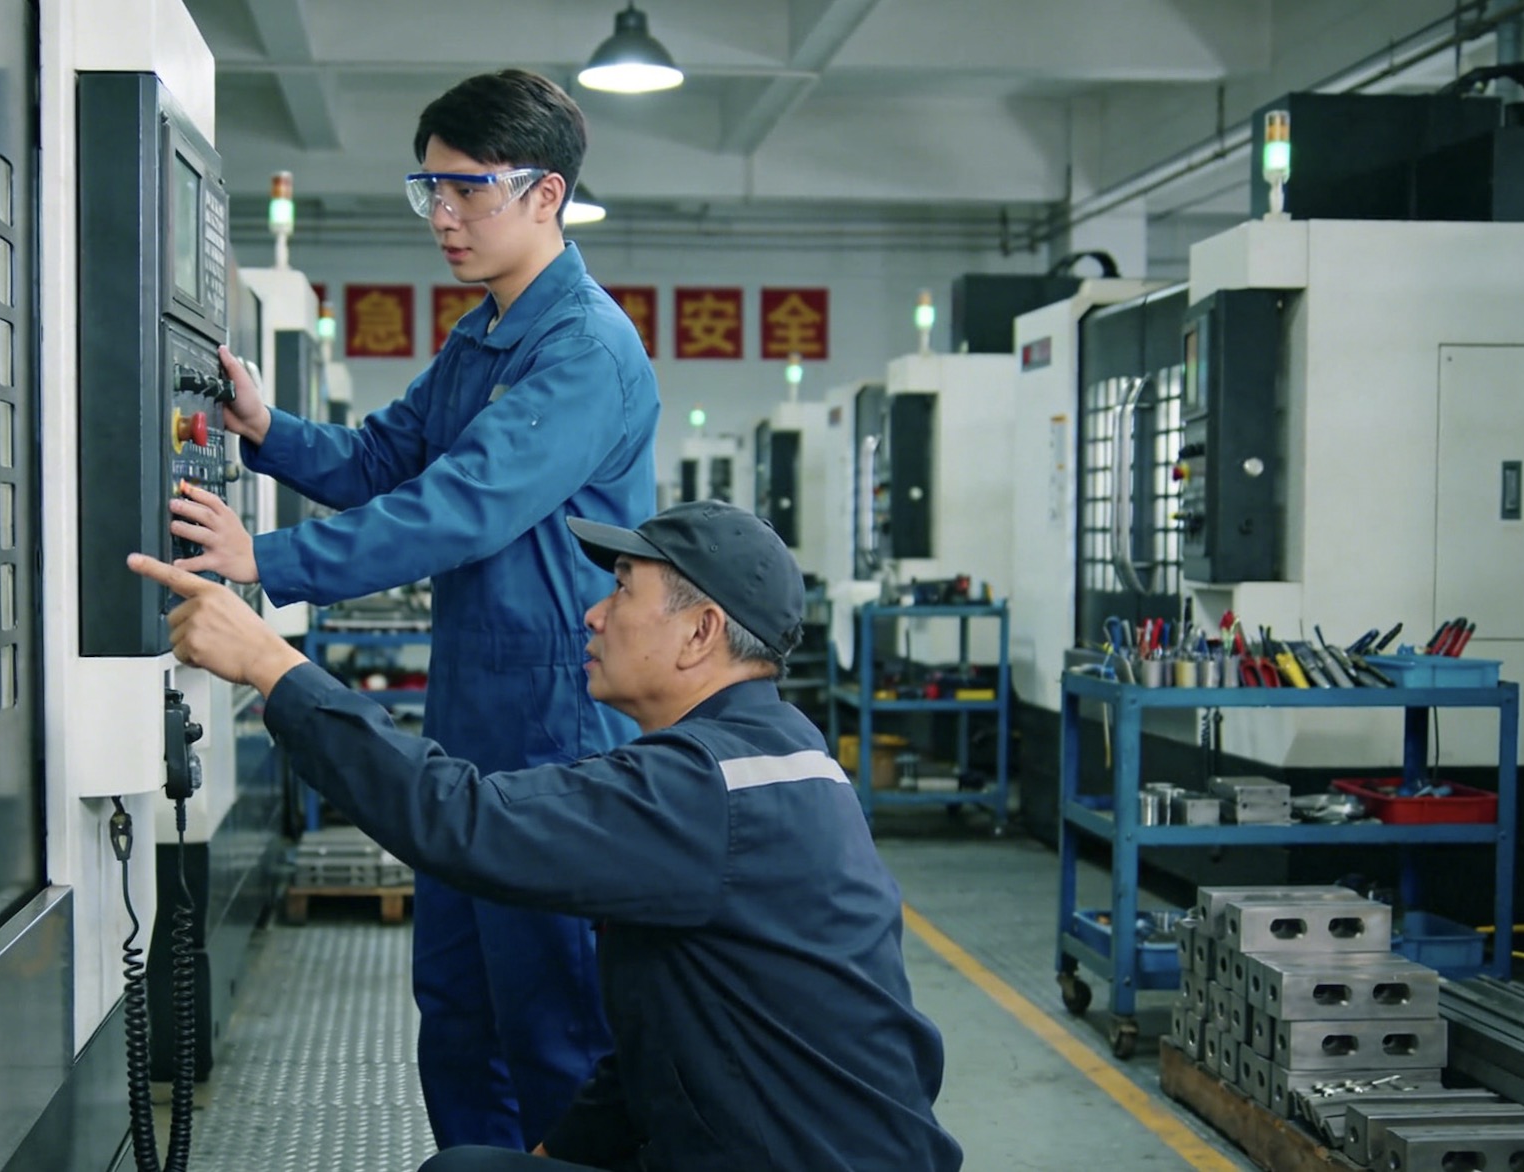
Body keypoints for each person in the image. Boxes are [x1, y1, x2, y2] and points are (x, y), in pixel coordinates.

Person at [126, 501, 965, 1172]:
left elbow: (465, 821)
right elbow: (668, 1034)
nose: (594, 615)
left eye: (624, 589)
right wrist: (556, 1154)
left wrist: (275, 670)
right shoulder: (775, 754)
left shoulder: (702, 789)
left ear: (702, 631)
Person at [163, 70, 657, 1151]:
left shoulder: (581, 348)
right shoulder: (484, 336)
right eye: (426, 189)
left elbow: (463, 502)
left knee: (553, 1020)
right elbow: (387, 457)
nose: (442, 216)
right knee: (458, 1005)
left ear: (545, 194)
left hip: (561, 721)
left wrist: (267, 557)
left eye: (466, 189)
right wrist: (266, 426)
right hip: (475, 710)